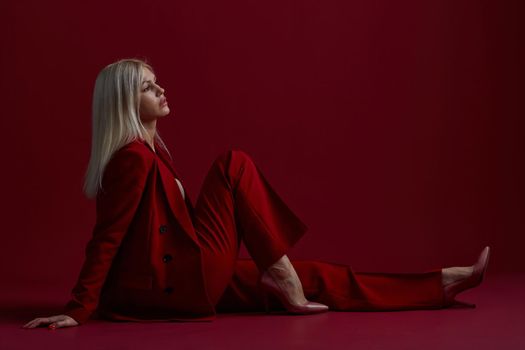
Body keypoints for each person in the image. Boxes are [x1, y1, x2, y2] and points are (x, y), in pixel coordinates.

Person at [22, 59, 490, 330]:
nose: (161, 88)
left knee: (319, 278)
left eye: (156, 80)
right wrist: (77, 310)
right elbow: (108, 236)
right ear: (126, 102)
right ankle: (281, 273)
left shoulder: (149, 153)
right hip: (179, 285)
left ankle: (441, 283)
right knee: (233, 164)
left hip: (186, 280)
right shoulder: (132, 159)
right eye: (148, 86)